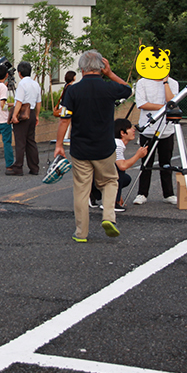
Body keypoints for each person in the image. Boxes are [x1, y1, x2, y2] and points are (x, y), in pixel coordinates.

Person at [54, 50, 132, 242]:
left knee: (81, 189)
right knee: (110, 182)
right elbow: (128, 89)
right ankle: (108, 217)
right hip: (105, 147)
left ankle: (81, 233)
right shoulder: (108, 88)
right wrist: (110, 74)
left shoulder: (73, 90)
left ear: (81, 69)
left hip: (80, 148)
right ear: (100, 67)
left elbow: (64, 120)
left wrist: (59, 145)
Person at [133, 71, 180, 205]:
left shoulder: (173, 83)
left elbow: (173, 102)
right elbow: (142, 104)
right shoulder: (142, 82)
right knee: (146, 163)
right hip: (147, 130)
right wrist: (165, 108)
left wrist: (165, 83)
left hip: (167, 129)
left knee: (166, 163)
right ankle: (142, 193)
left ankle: (168, 194)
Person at [89, 117, 148, 212]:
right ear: (122, 133)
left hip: (97, 173)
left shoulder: (114, 141)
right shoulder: (117, 144)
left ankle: (94, 192)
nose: (133, 130)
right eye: (130, 128)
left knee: (125, 178)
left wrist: (118, 193)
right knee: (119, 171)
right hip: (99, 174)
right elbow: (122, 166)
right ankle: (111, 203)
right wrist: (138, 155)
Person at [7, 61, 42, 176]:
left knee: (20, 142)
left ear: (20, 73)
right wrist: (36, 116)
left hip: (23, 114)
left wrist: (14, 116)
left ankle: (18, 167)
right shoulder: (36, 84)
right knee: (31, 141)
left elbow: (19, 102)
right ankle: (34, 167)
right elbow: (38, 102)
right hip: (31, 113)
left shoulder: (22, 85)